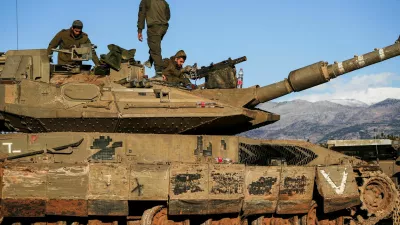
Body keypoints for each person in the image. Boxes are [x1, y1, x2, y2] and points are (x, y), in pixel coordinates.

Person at [137, 0, 170, 78]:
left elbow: (141, 15)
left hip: (154, 27)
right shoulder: (164, 2)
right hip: (164, 27)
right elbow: (168, 16)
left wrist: (139, 30)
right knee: (155, 45)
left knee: (155, 50)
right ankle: (150, 60)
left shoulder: (145, 1)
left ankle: (159, 73)